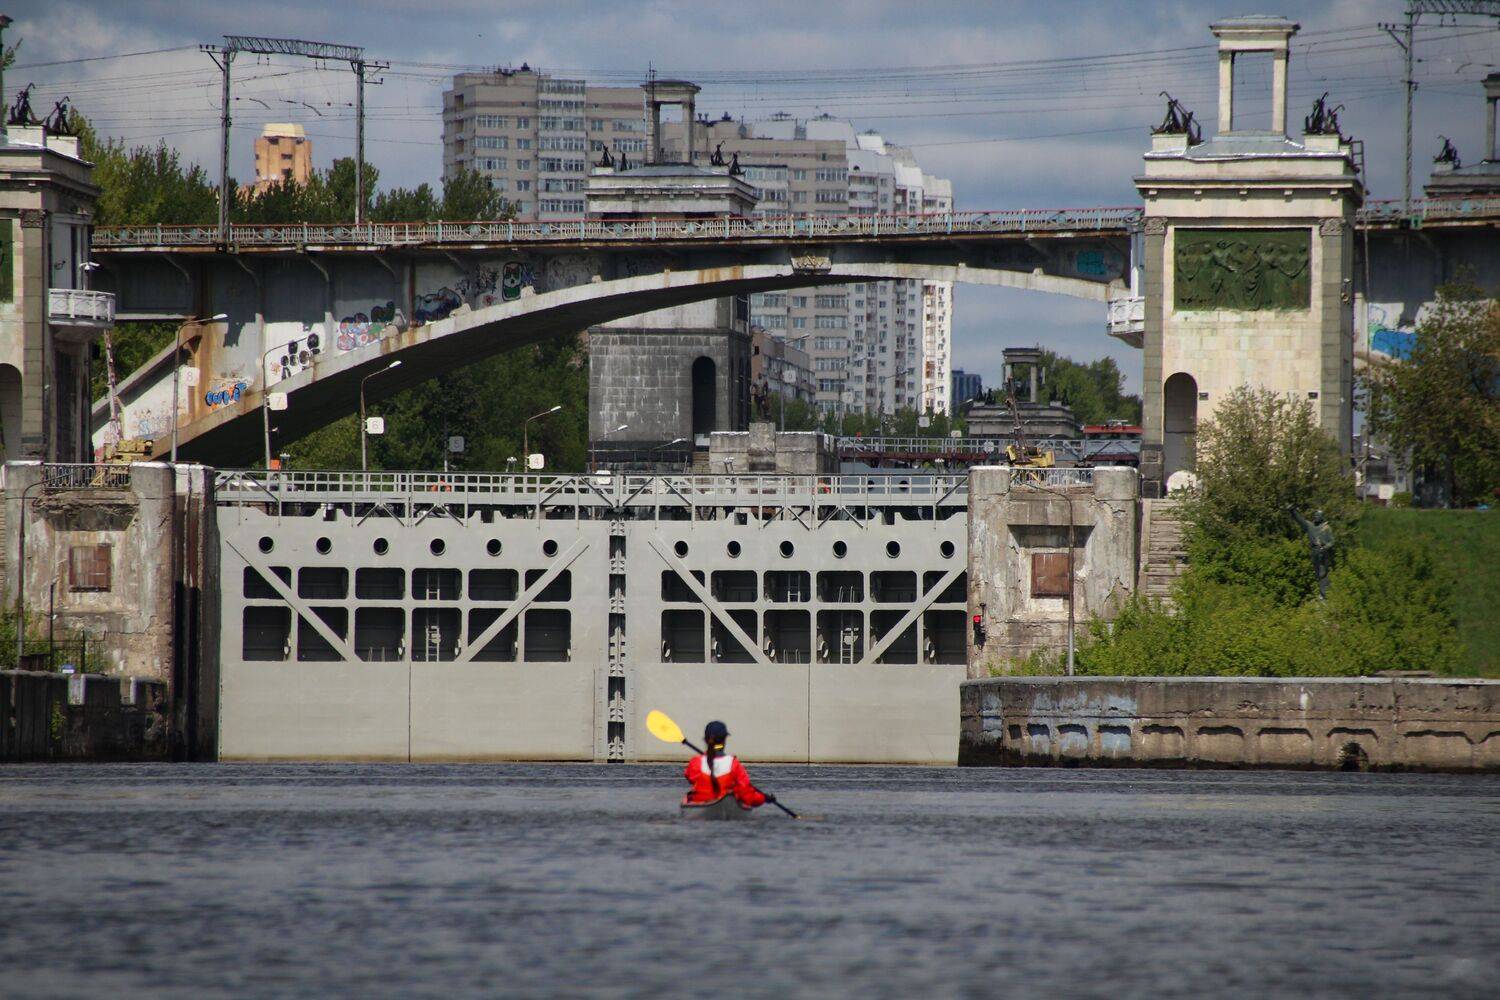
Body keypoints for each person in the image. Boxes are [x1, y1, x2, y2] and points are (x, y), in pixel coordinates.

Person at [682, 721, 774, 808]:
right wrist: (764, 798)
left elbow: (689, 777)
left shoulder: (696, 762)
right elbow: (747, 796)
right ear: (724, 740)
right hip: (728, 805)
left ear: (706, 740)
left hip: (700, 804)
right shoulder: (734, 764)